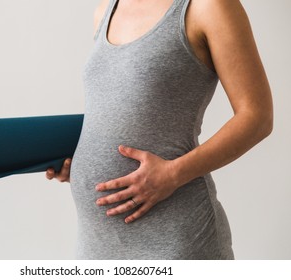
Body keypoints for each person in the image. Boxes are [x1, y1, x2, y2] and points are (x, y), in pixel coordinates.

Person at [46, 0, 273, 259]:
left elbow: (257, 117)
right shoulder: (106, 11)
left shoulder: (209, 6)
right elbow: (120, 109)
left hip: (174, 239)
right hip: (96, 244)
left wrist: (173, 174)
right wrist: (80, 164)